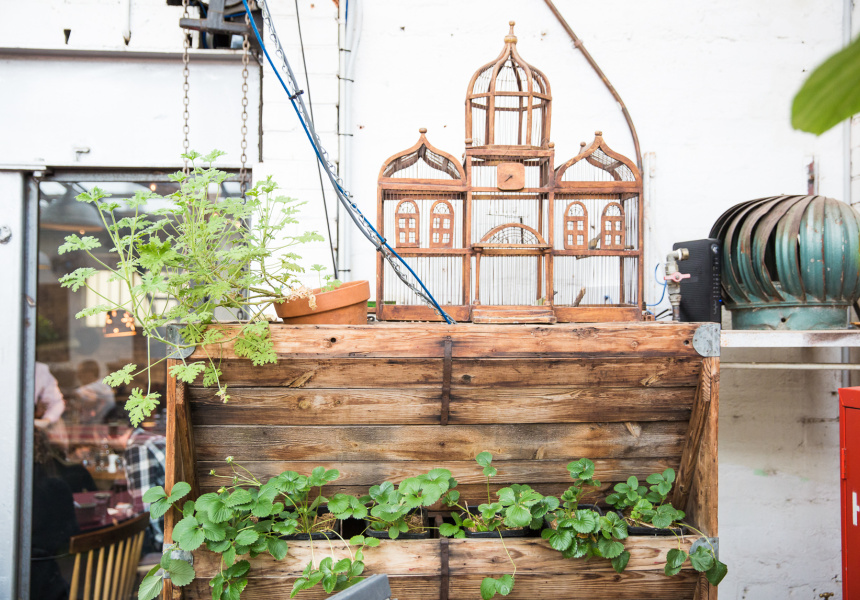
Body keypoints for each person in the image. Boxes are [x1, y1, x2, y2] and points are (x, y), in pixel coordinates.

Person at [115, 427, 166, 553]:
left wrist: (123, 512)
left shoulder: (137, 448)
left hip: (166, 539)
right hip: (181, 525)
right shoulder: (153, 439)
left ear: (112, 435)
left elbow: (145, 506)